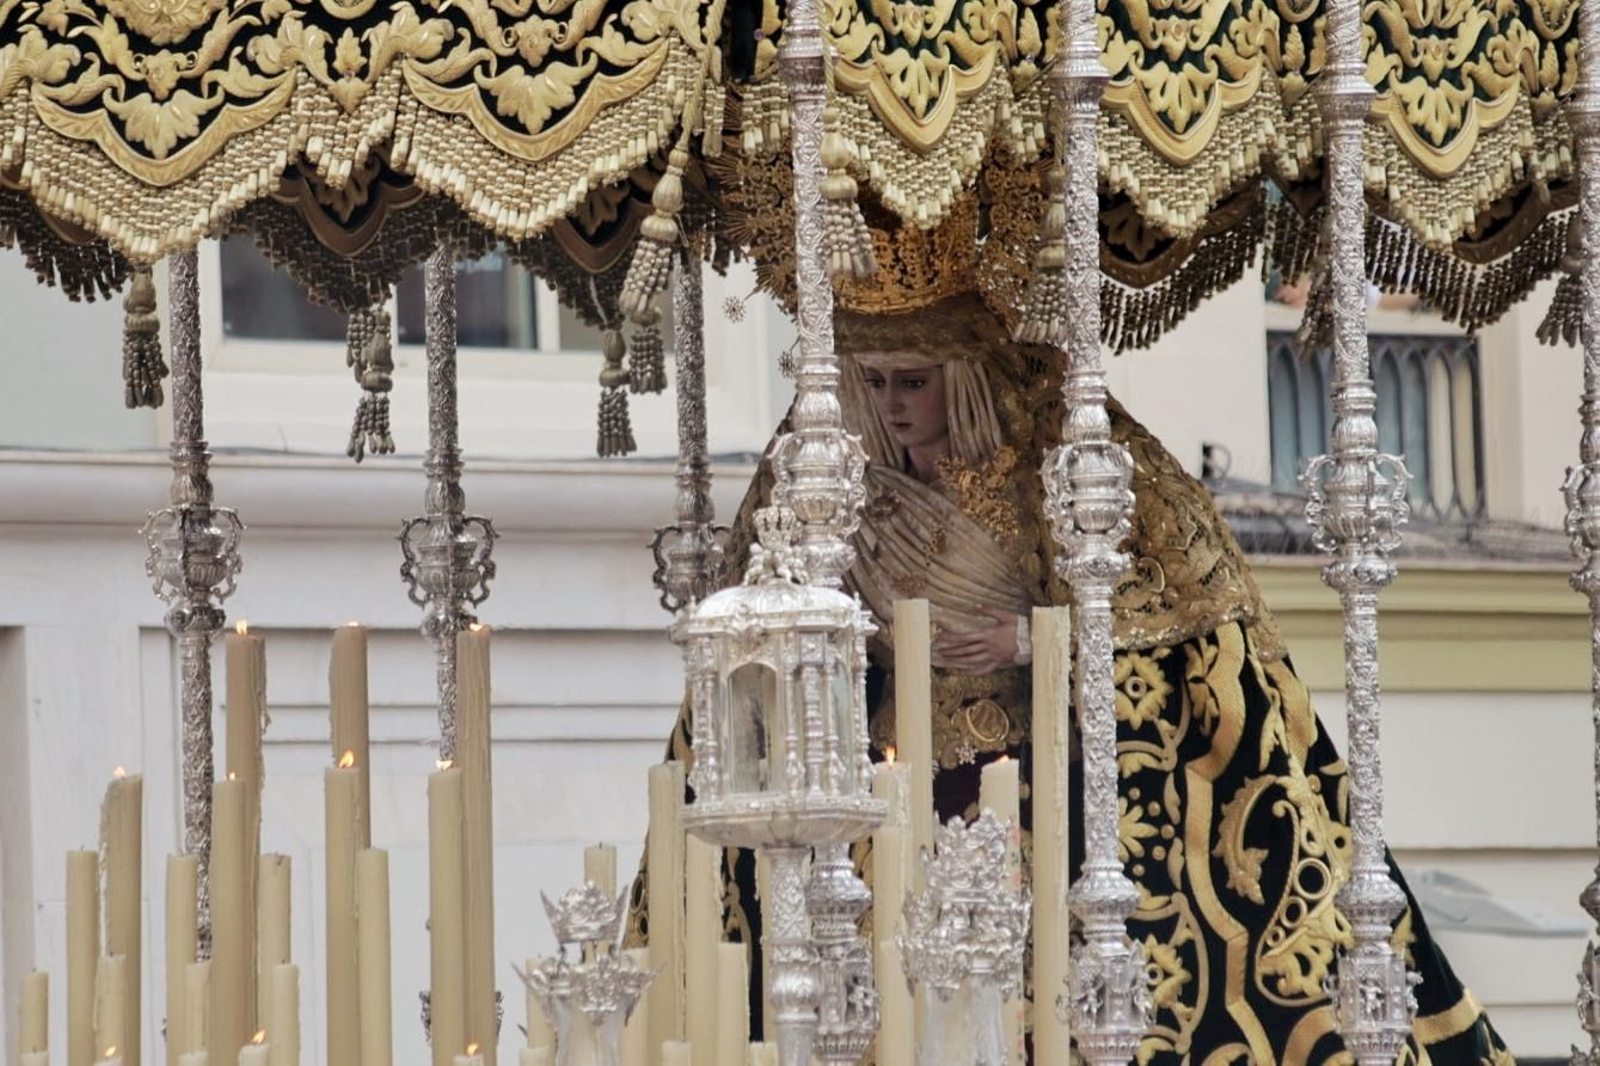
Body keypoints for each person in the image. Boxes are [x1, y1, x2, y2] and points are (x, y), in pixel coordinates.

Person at [627, 289, 1509, 1065]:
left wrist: (1022, 639)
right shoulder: (826, 475)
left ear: (962, 376)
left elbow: (1156, 620)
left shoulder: (1057, 452)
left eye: (914, 380)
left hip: (1025, 787)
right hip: (894, 786)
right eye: (878, 382)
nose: (893, 405)